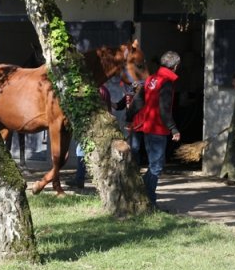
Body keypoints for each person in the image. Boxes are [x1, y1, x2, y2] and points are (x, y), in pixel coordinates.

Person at [125, 51, 181, 209]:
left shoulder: (151, 79)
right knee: (156, 166)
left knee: (154, 164)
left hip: (148, 127)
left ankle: (141, 193)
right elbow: (164, 109)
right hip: (158, 129)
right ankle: (149, 201)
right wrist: (173, 129)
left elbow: (138, 101)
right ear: (175, 66)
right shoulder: (166, 82)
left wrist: (129, 117)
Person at [67, 84, 114, 191]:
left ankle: (80, 179)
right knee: (85, 151)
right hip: (103, 126)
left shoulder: (93, 90)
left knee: (81, 151)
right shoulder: (104, 89)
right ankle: (82, 179)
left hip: (93, 126)